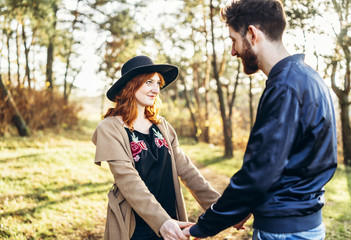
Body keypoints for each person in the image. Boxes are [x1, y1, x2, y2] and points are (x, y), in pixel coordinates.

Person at [183, 0, 337, 239]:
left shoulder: (284, 87)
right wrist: (245, 207)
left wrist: (203, 226)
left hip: (283, 232)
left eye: (234, 40)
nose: (233, 51)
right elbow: (293, 164)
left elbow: (258, 174)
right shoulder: (310, 77)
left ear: (252, 34)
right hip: (307, 226)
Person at [92, 55, 220, 240]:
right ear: (131, 85)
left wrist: (221, 209)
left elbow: (188, 171)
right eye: (149, 82)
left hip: (172, 222)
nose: (156, 89)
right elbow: (128, 180)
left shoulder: (162, 126)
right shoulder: (110, 128)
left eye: (158, 83)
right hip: (135, 227)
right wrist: (161, 222)